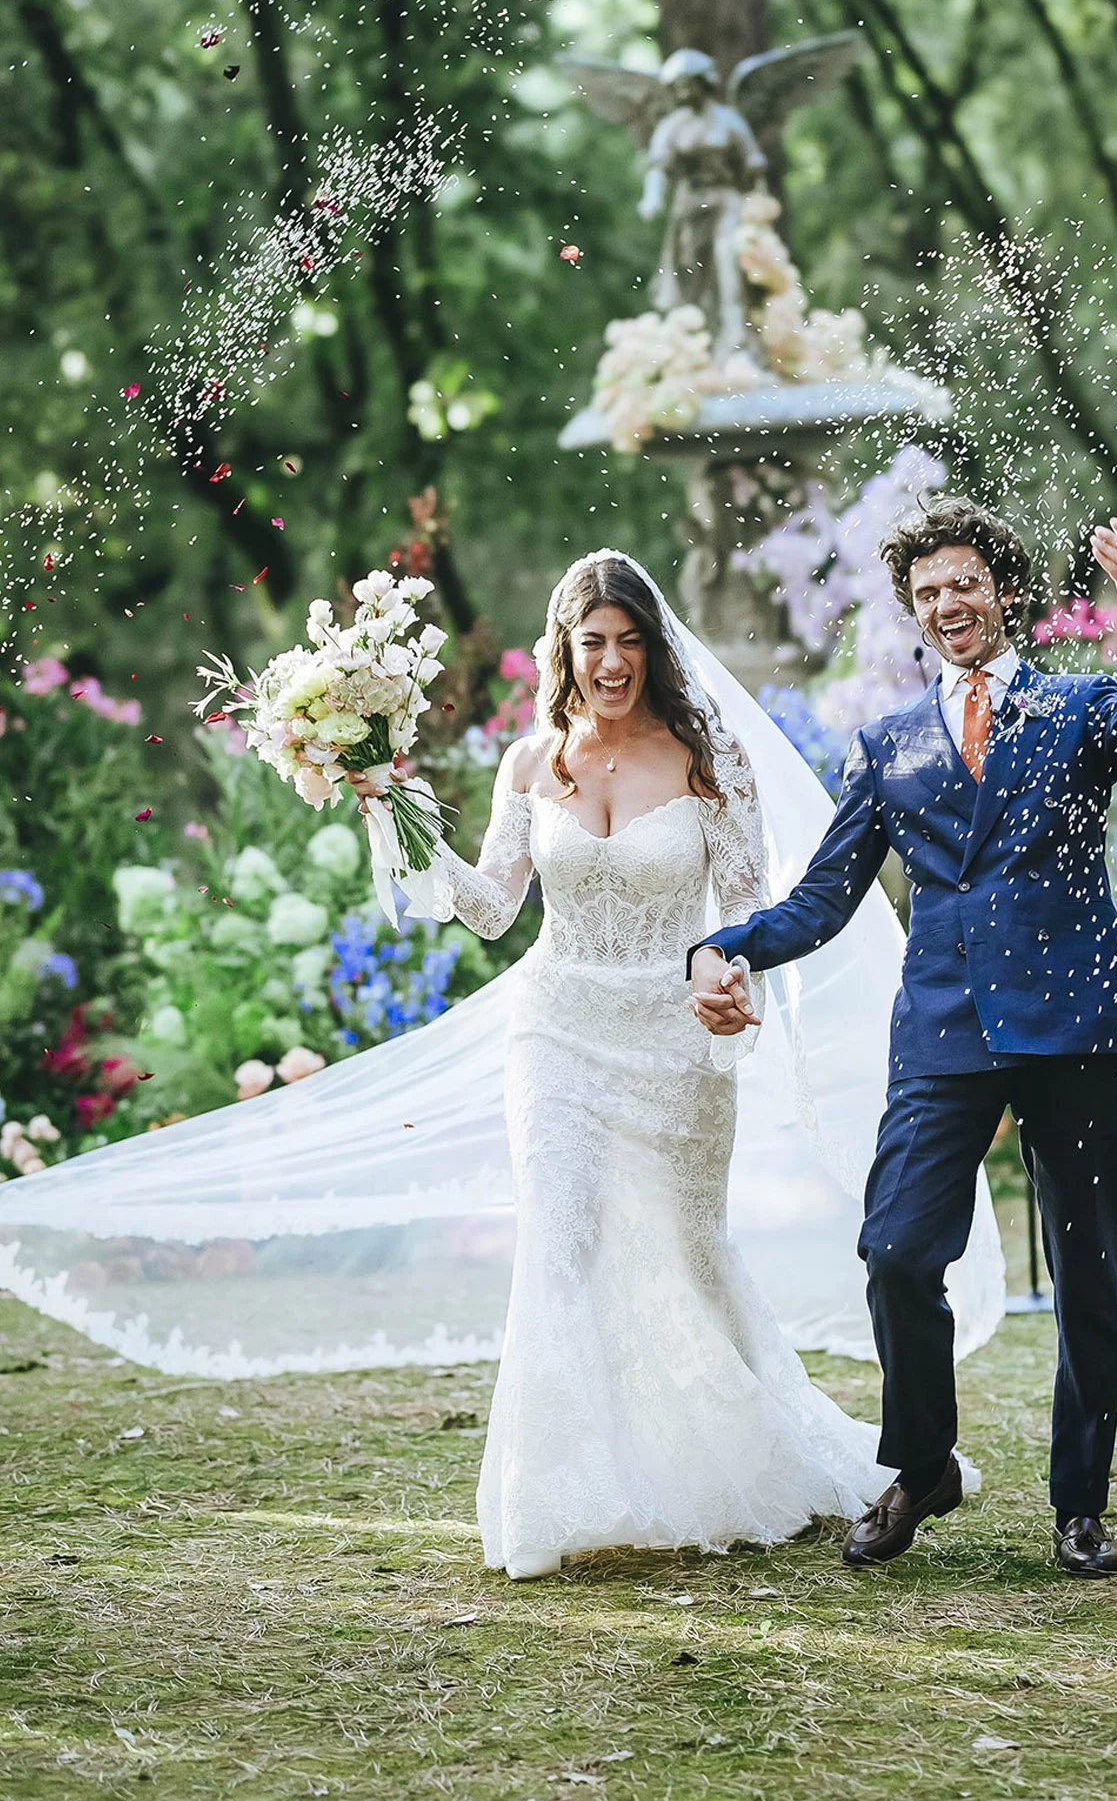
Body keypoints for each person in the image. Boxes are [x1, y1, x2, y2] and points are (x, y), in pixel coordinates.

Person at [0, 550, 1005, 1577]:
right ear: (565, 649)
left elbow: (746, 909)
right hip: (557, 1030)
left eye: (630, 641)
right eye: (593, 641)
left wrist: (729, 981)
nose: (612, 661)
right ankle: (563, 1497)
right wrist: (394, 808)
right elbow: (490, 907)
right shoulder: (532, 762)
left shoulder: (712, 761)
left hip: (676, 1041)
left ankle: (735, 1454)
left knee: (688, 1256)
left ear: (655, 650)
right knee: (560, 1243)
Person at [690, 499, 1117, 1578]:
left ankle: (1081, 1503)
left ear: (1002, 589)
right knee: (897, 1250)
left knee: (1087, 1269)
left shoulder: (1077, 707)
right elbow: (822, 897)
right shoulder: (890, 745)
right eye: (927, 593)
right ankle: (922, 1468)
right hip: (944, 1032)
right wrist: (726, 942)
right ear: (912, 613)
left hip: (1072, 1026)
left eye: (964, 583)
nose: (947, 604)